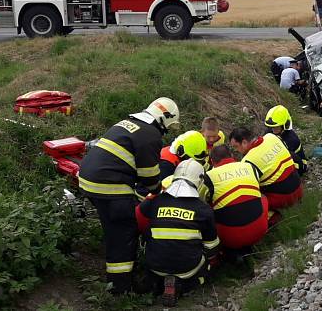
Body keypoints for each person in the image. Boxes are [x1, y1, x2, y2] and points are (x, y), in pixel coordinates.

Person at [78, 97, 179, 294]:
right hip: (109, 186)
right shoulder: (151, 135)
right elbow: (148, 177)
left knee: (113, 225)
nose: (165, 132)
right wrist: (160, 192)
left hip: (88, 179)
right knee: (125, 232)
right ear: (164, 120)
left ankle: (112, 266)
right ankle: (120, 289)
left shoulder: (128, 122)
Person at [136, 160, 219, 306]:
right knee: (203, 266)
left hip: (155, 263)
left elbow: (139, 217)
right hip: (188, 267)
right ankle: (187, 285)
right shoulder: (204, 210)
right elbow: (211, 246)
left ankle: (157, 283)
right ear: (200, 181)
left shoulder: (155, 201)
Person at [202, 145, 269, 252]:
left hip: (229, 239)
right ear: (232, 155)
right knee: (261, 197)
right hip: (260, 230)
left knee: (209, 209)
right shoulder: (249, 166)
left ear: (212, 161)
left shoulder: (208, 177)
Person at [229, 127, 302, 212]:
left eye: (236, 146)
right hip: (298, 187)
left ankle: (272, 216)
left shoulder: (248, 162)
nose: (236, 150)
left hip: (284, 199)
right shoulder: (271, 137)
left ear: (244, 142)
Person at [264, 105, 308, 174]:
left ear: (285, 125)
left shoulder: (291, 139)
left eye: (276, 127)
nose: (273, 130)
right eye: (272, 127)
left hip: (299, 165)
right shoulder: (270, 131)